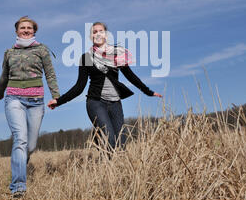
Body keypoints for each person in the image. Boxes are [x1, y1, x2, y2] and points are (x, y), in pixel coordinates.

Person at [48, 22, 162, 151]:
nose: (98, 34)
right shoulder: (86, 58)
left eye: (100, 31)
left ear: (106, 35)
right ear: (91, 36)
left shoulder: (116, 55)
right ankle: (101, 140)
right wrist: (58, 101)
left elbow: (131, 76)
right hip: (96, 103)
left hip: (115, 104)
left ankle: (105, 151)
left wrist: (149, 92)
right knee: (110, 141)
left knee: (121, 144)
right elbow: (79, 87)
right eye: (94, 32)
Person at [0, 16, 60, 198]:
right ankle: (18, 187)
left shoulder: (42, 50)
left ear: (34, 31)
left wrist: (56, 96)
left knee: (30, 146)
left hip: (36, 101)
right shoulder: (9, 52)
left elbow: (50, 74)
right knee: (20, 139)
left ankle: (21, 164)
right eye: (22, 28)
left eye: (29, 28)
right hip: (14, 98)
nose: (26, 30)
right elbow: (4, 76)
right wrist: (0, 93)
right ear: (16, 31)